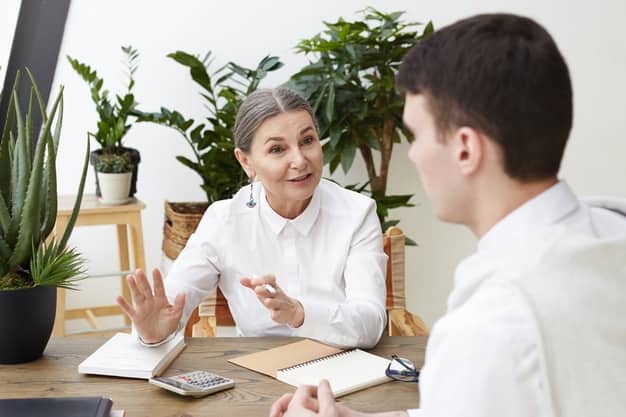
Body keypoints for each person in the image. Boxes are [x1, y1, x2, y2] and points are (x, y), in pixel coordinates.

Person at [269, 13, 626, 417]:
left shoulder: (491, 323)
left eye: (417, 135)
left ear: (465, 150)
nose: (416, 153)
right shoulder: (612, 229)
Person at [116, 87, 387, 349]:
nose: (300, 160)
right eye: (277, 150)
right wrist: (154, 334)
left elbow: (371, 322)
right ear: (246, 162)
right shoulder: (224, 220)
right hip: (258, 379)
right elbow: (173, 304)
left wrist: (299, 313)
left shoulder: (356, 213)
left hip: (344, 372)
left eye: (307, 141)